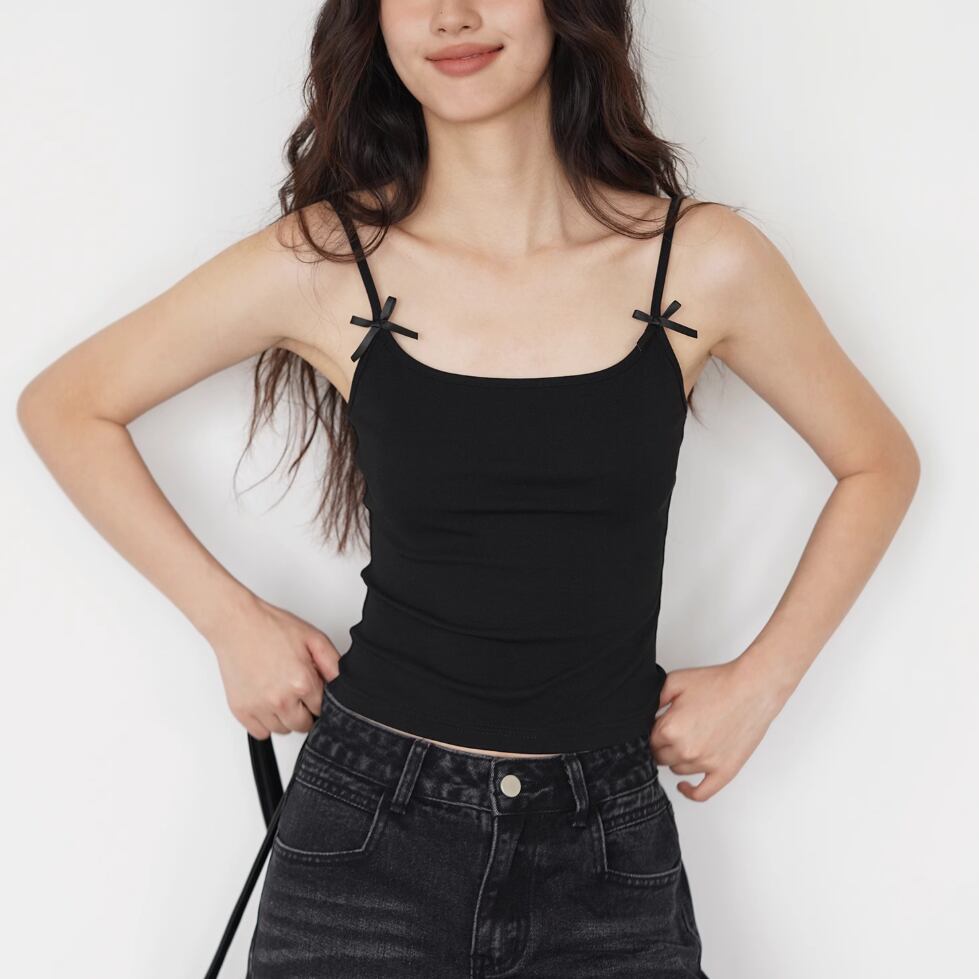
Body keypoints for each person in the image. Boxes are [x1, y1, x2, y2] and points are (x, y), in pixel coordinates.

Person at [16, 3, 920, 977]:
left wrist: (761, 683)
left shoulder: (700, 260)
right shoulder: (329, 258)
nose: (451, 15)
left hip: (606, 846)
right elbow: (68, 405)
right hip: (368, 831)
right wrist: (230, 621)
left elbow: (876, 461)